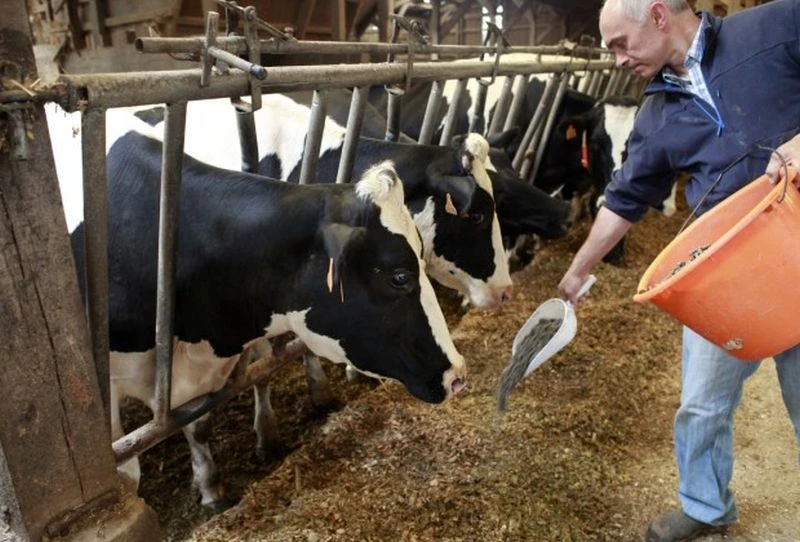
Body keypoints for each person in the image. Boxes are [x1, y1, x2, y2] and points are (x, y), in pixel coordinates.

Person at [558, 0, 800, 540]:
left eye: (621, 42)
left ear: (660, 16)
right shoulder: (657, 113)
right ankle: (704, 506)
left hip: (797, 242)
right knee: (701, 402)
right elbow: (625, 198)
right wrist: (577, 271)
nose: (616, 59)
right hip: (724, 267)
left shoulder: (775, 26)